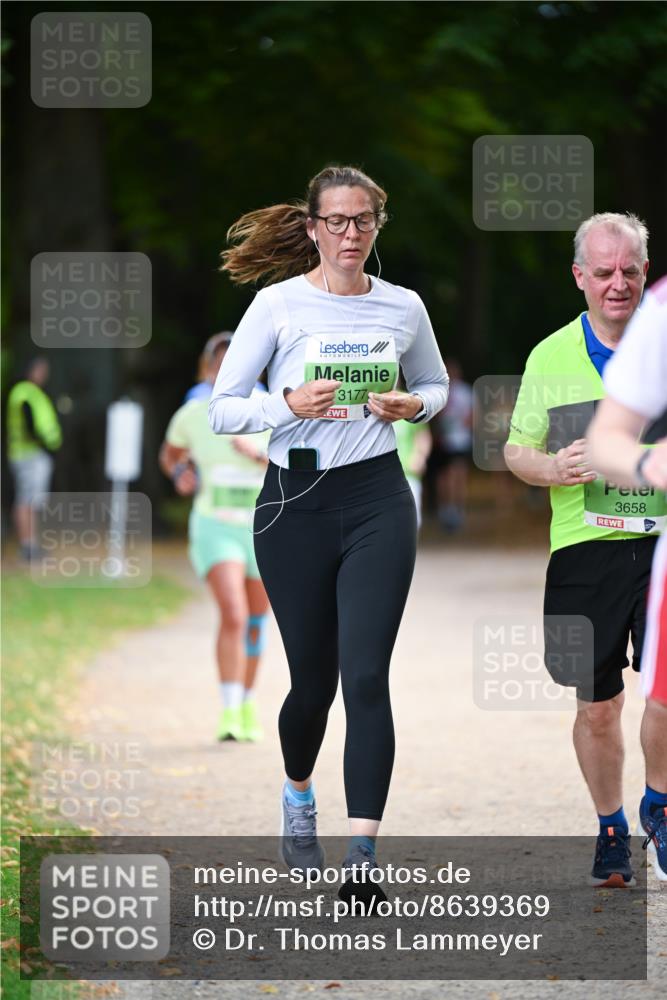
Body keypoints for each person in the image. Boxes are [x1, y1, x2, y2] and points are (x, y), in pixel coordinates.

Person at [208, 165, 448, 901]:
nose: (350, 234)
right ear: (311, 227)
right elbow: (223, 408)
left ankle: (363, 858)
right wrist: (287, 403)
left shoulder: (402, 307)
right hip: (294, 504)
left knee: (366, 676)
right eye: (336, 222)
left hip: (377, 498)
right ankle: (297, 795)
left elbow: (434, 386)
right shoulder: (276, 305)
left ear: (378, 225)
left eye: (363, 220)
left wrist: (411, 406)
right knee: (312, 685)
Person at [504, 212, 656, 888]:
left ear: (644, 273)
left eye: (628, 270)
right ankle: (609, 826)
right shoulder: (548, 355)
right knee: (596, 705)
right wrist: (551, 469)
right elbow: (514, 450)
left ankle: (659, 801)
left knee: (664, 695)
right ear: (579, 278)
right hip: (582, 547)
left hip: (660, 545)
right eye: (603, 272)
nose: (616, 283)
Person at [587, 274, 667, 883]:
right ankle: (649, 809)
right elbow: (607, 438)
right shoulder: (662, 310)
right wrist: (647, 462)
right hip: (596, 551)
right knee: (619, 702)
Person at [160, 334, 271, 743]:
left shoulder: (270, 409)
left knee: (256, 622)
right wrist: (179, 474)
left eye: (236, 364)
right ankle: (227, 709)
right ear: (207, 371)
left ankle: (246, 703)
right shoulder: (192, 414)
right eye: (218, 365)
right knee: (234, 614)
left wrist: (258, 455)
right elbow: (170, 454)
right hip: (215, 525)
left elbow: (301, 462)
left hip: (264, 528)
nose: (226, 373)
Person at [7, 357, 62, 561]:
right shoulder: (24, 393)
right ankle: (27, 546)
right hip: (28, 455)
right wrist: (43, 444)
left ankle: (31, 544)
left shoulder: (33, 393)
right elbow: (28, 423)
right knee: (26, 500)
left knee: (31, 501)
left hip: (33, 454)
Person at [433, 358, 473, 532]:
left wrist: (465, 423)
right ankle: (446, 508)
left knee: (459, 475)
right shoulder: (442, 391)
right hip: (444, 440)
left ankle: (458, 508)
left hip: (461, 440)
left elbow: (474, 415)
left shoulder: (466, 392)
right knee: (444, 477)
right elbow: (435, 415)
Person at [394, 418, 431, 530]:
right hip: (386, 475)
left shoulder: (410, 412)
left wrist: (420, 456)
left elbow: (423, 437)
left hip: (409, 473)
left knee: (413, 517)